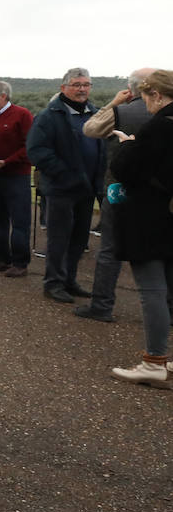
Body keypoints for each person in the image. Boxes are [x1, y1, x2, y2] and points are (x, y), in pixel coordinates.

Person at [74, 68, 156, 322]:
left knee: (110, 249)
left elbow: (90, 128)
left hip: (119, 188)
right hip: (159, 192)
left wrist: (113, 104)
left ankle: (102, 305)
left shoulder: (123, 112)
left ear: (131, 89)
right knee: (161, 249)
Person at [108, 70, 173, 384]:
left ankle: (154, 360)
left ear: (157, 95)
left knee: (152, 291)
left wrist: (128, 146)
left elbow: (126, 169)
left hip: (151, 218)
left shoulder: (158, 127)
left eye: (147, 98)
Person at [26, 68, 105, 303]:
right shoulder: (49, 116)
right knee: (59, 237)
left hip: (88, 188)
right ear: (64, 88)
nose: (82, 89)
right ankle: (53, 283)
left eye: (86, 84)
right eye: (77, 84)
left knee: (80, 238)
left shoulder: (96, 114)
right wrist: (65, 174)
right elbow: (37, 151)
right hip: (61, 188)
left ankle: (69, 280)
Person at [0, 80, 34, 278]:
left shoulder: (22, 115)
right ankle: (1, 259)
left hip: (15, 176)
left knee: (19, 220)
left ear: (3, 96)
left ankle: (20, 262)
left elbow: (30, 145)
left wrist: (8, 161)